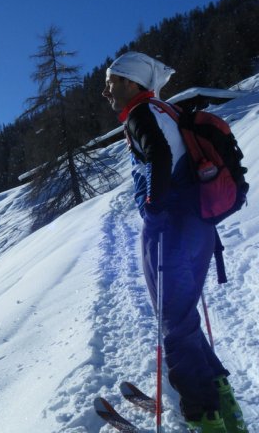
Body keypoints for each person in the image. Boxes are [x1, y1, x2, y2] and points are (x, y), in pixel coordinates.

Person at [102, 52, 248, 432]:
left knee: (173, 325)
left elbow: (159, 158)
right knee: (182, 320)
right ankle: (222, 403)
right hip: (199, 226)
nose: (106, 91)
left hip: (172, 230)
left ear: (132, 82)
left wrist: (153, 208)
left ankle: (204, 417)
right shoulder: (166, 110)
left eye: (112, 81)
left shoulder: (141, 114)